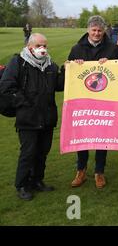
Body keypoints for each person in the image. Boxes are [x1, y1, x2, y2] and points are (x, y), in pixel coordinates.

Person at [0, 33, 66, 200]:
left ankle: (37, 180)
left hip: (47, 117)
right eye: (38, 46)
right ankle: (22, 184)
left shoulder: (50, 65)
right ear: (30, 47)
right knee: (28, 152)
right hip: (28, 119)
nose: (42, 49)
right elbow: (6, 87)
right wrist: (25, 102)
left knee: (42, 152)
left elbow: (59, 85)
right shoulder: (19, 62)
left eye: (44, 45)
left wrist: (67, 69)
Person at [68, 15, 118, 189]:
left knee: (101, 136)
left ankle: (99, 172)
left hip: (104, 100)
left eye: (100, 30)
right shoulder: (76, 48)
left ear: (104, 31)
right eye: (94, 30)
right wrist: (72, 65)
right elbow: (68, 72)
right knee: (83, 135)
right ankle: (81, 171)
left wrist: (111, 63)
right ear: (88, 30)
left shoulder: (112, 48)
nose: (97, 33)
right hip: (83, 102)